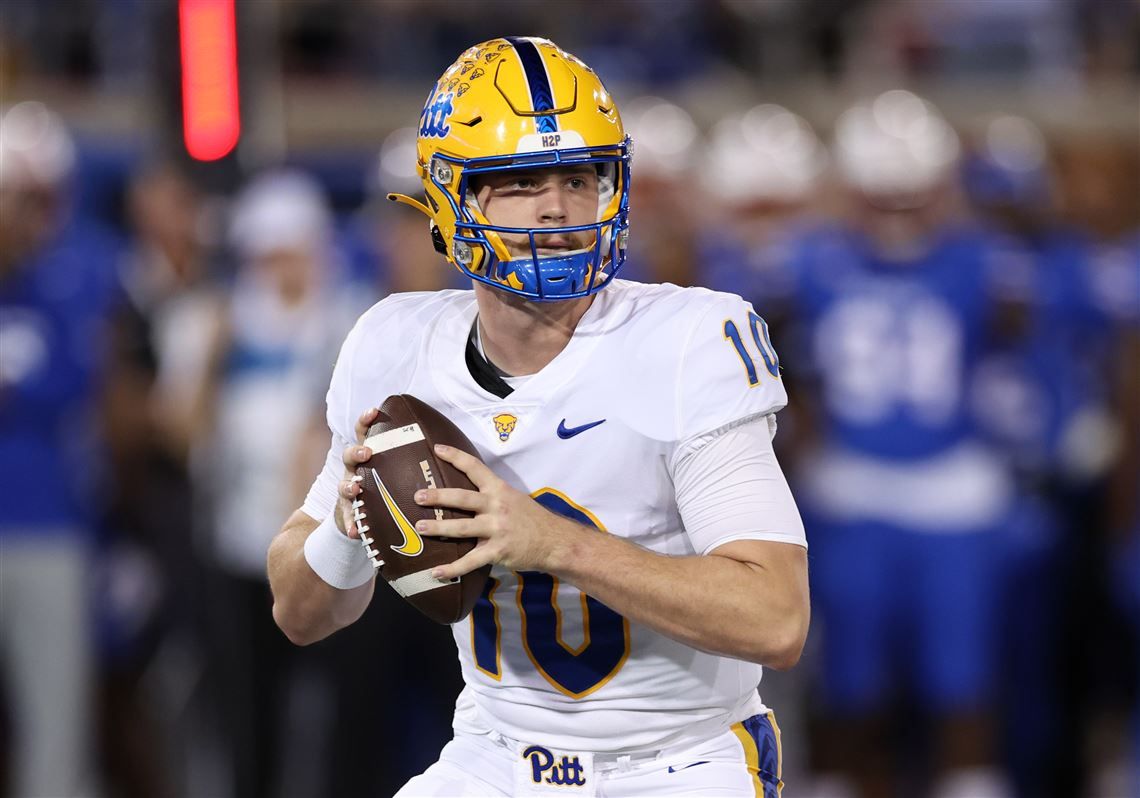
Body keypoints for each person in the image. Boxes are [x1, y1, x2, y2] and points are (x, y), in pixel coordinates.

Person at [268, 37, 809, 797]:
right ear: (451, 198)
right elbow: (298, 612)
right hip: (494, 755)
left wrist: (554, 543)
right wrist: (350, 524)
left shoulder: (689, 341)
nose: (557, 207)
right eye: (521, 181)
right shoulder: (394, 343)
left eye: (579, 178)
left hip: (677, 761)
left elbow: (776, 618)